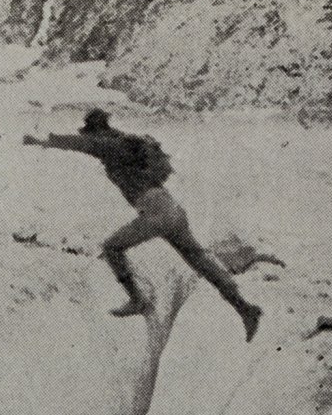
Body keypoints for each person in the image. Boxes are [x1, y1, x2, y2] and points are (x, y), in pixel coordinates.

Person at [23, 109, 263, 342]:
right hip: (172, 208)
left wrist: (42, 141)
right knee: (200, 260)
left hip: (155, 211)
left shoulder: (109, 145)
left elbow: (80, 144)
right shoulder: (127, 141)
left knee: (112, 248)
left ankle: (137, 300)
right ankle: (245, 308)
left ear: (95, 131)